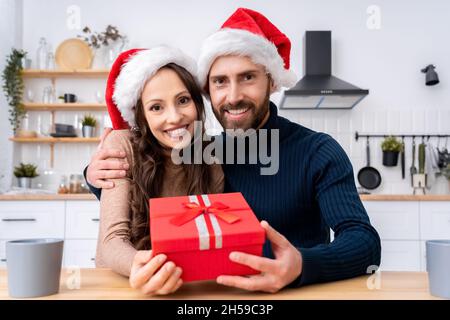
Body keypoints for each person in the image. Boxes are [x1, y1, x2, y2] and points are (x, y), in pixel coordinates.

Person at [85, 8, 381, 293]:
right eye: (220, 82)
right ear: (207, 90)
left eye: (248, 77)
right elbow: (151, 187)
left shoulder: (317, 151)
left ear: (272, 80)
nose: (234, 96)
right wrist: (97, 175)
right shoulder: (205, 152)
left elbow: (363, 241)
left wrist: (302, 264)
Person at [94, 46, 224, 296]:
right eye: (156, 107)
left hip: (184, 284)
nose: (174, 117)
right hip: (122, 284)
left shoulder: (212, 158)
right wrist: (145, 267)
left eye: (183, 100)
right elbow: (112, 241)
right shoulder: (122, 145)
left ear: (197, 104)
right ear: (141, 116)